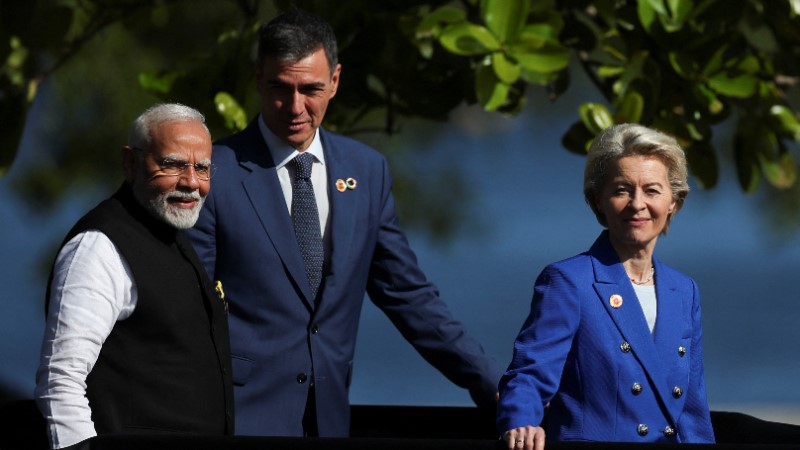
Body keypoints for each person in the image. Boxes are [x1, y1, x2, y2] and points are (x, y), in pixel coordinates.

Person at [185, 9, 502, 437]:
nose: (295, 107)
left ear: (335, 81)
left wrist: (494, 385)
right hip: (235, 421)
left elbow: (408, 296)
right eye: (280, 87)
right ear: (258, 77)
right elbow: (185, 307)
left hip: (330, 422)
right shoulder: (214, 173)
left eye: (311, 89)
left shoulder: (366, 171)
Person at [497, 124, 716, 449]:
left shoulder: (684, 291)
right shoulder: (569, 282)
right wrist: (521, 423)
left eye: (652, 190)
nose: (637, 204)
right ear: (598, 200)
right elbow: (529, 374)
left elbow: (692, 410)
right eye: (621, 190)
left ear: (673, 201)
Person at [34, 103, 234, 449]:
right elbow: (59, 381)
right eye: (171, 164)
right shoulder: (99, 248)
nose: (190, 182)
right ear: (130, 163)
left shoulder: (170, 233)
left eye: (202, 168)